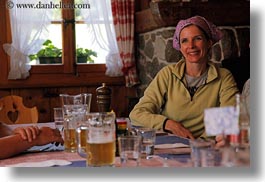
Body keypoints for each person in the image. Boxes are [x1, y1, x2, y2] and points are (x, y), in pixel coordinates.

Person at [129, 15, 239, 146]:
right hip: (169, 146)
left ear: (209, 42)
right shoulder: (168, 74)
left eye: (197, 39)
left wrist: (198, 144)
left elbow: (228, 121)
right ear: (180, 47)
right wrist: (169, 124)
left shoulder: (223, 77)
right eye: (185, 41)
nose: (191, 45)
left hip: (205, 148)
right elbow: (137, 114)